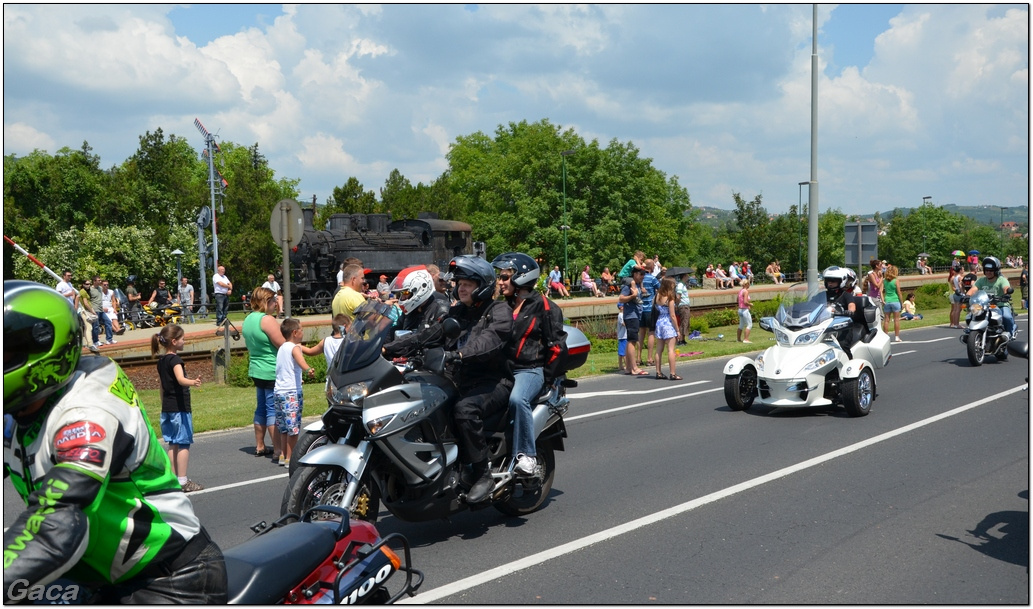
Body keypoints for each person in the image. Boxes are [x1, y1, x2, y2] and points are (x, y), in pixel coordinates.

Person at [2, 280, 227, 603]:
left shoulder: (86, 413)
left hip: (170, 580)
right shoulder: (22, 407)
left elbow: (58, 520)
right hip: (99, 576)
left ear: (39, 347)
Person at [492, 252, 566, 478]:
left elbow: (556, 346)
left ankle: (526, 456)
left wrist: (550, 378)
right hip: (505, 369)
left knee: (517, 399)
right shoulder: (502, 306)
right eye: (500, 277)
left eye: (505, 277)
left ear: (521, 278)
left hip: (530, 369)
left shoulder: (545, 307)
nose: (500, 282)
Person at [151, 324, 204, 492]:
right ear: (174, 341)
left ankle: (172, 478)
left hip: (168, 407)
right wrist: (193, 382)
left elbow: (161, 386)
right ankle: (182, 481)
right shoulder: (175, 360)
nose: (184, 341)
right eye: (182, 339)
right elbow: (181, 379)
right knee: (184, 443)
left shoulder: (162, 360)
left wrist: (163, 404)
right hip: (179, 408)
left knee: (173, 443)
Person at [242, 286, 284, 460]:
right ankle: (277, 450)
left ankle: (260, 445)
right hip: (270, 369)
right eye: (274, 301)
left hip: (256, 368)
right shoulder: (267, 320)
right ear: (266, 302)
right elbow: (281, 343)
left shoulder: (249, 319)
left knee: (261, 407)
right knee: (272, 410)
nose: (275, 304)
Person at [274, 318, 316, 466]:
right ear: (295, 332)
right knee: (293, 427)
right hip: (291, 393)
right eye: (302, 330)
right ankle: (290, 459)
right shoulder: (295, 348)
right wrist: (308, 369)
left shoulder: (282, 347)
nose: (303, 333)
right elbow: (300, 361)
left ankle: (283, 455)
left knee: (283, 427)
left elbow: (284, 369)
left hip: (279, 391)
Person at [389, 265, 450, 334]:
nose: (402, 298)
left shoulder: (440, 306)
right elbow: (395, 329)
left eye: (405, 292)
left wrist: (394, 344)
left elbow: (423, 337)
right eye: (401, 293)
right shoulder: (411, 309)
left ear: (419, 289)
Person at [968, 256, 1015, 339]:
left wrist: (1006, 293)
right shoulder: (981, 280)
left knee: (1006, 316)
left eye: (991, 270)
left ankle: (1009, 333)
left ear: (996, 271)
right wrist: (966, 296)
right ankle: (971, 332)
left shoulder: (1001, 280)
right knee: (970, 315)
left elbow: (1005, 287)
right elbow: (973, 289)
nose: (988, 272)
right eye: (986, 270)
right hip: (984, 307)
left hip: (1000, 305)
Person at [822, 266, 862, 359]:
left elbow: (852, 306)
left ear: (841, 282)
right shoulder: (822, 295)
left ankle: (848, 364)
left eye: (833, 281)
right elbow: (812, 305)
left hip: (842, 328)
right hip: (824, 326)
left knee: (843, 345)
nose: (830, 283)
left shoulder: (846, 295)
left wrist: (850, 312)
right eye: (828, 281)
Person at [618, 266, 648, 376]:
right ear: (635, 274)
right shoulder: (629, 285)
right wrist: (633, 295)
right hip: (631, 315)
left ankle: (628, 367)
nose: (642, 277)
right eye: (641, 275)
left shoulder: (637, 285)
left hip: (635, 315)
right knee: (632, 341)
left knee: (631, 340)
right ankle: (634, 367)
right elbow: (621, 298)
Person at [653, 277, 681, 380]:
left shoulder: (658, 296)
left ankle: (658, 372)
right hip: (668, 323)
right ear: (670, 285)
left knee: (659, 350)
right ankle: (672, 373)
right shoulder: (670, 298)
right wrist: (677, 330)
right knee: (671, 350)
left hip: (659, 322)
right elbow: (672, 315)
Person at [639, 259, 661, 367]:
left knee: (641, 333)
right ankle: (649, 358)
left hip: (640, 309)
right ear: (651, 267)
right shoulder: (653, 279)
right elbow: (661, 290)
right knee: (651, 332)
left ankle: (638, 358)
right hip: (649, 309)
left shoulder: (639, 278)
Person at [75, 278, 100, 353]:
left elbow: (77, 298)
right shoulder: (83, 292)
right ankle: (90, 344)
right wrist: (92, 311)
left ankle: (88, 343)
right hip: (84, 311)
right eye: (86, 284)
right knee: (89, 327)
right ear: (83, 284)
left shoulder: (82, 292)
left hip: (83, 311)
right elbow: (86, 303)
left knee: (86, 327)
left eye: (89, 284)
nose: (88, 285)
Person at [90, 274, 115, 346]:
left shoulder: (100, 288)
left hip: (101, 309)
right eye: (98, 280)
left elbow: (107, 290)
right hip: (95, 310)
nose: (100, 281)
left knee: (108, 322)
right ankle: (95, 341)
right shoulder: (90, 290)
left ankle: (109, 339)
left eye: (100, 280)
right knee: (96, 326)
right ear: (94, 281)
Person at [882, 265, 903, 342]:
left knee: (886, 320)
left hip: (887, 300)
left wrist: (883, 299)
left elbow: (881, 291)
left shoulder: (884, 281)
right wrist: (902, 302)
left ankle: (886, 336)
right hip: (895, 300)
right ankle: (897, 336)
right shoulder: (896, 281)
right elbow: (899, 292)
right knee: (896, 320)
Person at [675, 271, 692, 344]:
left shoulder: (683, 284)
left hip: (685, 305)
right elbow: (678, 296)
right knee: (683, 322)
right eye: (687, 275)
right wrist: (676, 304)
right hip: (683, 306)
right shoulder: (680, 285)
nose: (688, 276)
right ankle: (680, 340)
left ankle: (683, 339)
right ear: (684, 276)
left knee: (686, 322)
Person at [736, 279, 753, 343]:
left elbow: (737, 300)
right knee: (749, 325)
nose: (749, 285)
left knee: (741, 325)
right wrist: (750, 304)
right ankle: (746, 339)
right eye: (749, 284)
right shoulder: (746, 291)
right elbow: (745, 301)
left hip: (740, 310)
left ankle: (738, 339)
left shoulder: (740, 291)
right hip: (745, 310)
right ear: (746, 284)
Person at [616, 302, 627, 373]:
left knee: (621, 352)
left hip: (623, 335)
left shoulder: (623, 315)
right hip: (623, 336)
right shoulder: (621, 315)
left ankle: (620, 365)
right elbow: (623, 324)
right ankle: (627, 364)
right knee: (624, 352)